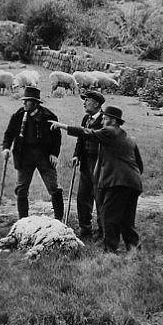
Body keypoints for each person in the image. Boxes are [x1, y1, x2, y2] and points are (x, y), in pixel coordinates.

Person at [50, 105, 143, 253]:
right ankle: (134, 249)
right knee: (127, 219)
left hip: (117, 183)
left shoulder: (109, 131)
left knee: (109, 217)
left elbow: (87, 133)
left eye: (105, 118)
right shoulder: (129, 138)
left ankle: (110, 251)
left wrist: (64, 126)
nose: (103, 121)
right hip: (134, 184)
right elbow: (140, 165)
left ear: (113, 121)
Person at [2, 86, 63, 220]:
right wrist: (6, 148)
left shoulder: (49, 116)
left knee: (54, 188)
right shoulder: (19, 115)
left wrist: (54, 154)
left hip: (44, 156)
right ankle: (23, 221)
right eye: (24, 100)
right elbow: (9, 133)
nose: (24, 103)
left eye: (27, 101)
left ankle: (59, 220)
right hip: (24, 155)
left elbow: (57, 138)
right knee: (21, 189)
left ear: (35, 103)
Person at [72, 90, 106, 241]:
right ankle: (85, 229)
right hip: (86, 164)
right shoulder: (86, 118)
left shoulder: (105, 121)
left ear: (97, 104)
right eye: (84, 100)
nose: (84, 103)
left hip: (100, 165)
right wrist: (76, 155)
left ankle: (103, 231)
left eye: (87, 100)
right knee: (83, 197)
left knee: (100, 198)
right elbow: (80, 139)